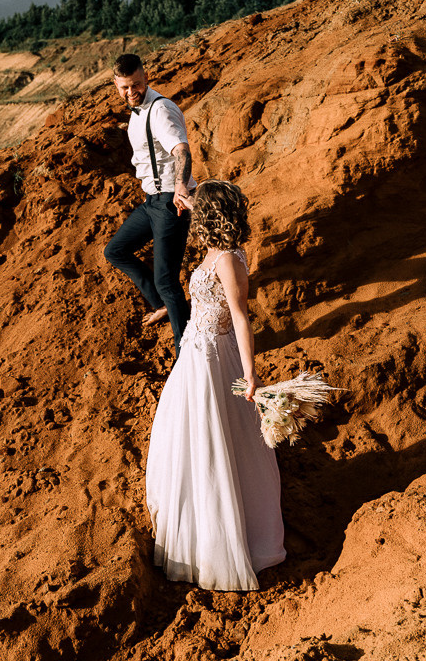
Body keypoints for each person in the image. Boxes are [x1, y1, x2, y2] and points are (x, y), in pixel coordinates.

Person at [143, 180, 286, 591]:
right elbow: (208, 303)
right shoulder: (214, 252)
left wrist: (251, 374)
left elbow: (240, 317)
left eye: (197, 209)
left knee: (213, 443)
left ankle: (224, 541)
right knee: (186, 436)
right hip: (194, 353)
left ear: (209, 216)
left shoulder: (227, 260)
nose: (191, 214)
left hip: (211, 361)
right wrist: (182, 192)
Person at [104, 53, 197, 355]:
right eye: (125, 88)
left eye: (137, 85)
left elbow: (181, 149)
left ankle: (186, 351)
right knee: (115, 250)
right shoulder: (136, 113)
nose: (131, 92)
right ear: (116, 86)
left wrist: (181, 186)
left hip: (171, 202)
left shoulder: (160, 110)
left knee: (166, 279)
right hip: (151, 202)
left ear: (146, 78)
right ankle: (163, 305)